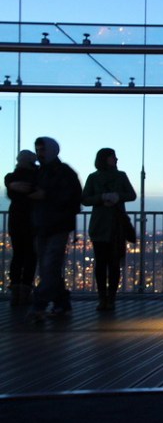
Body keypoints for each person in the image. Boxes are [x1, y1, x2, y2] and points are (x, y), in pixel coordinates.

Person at [29, 137, 82, 322]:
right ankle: (61, 303)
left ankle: (39, 304)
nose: (39, 153)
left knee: (49, 266)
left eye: (42, 150)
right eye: (38, 150)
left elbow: (73, 197)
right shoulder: (46, 172)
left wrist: (45, 195)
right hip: (46, 225)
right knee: (48, 268)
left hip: (55, 226)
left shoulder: (59, 172)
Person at [81, 148, 137, 311]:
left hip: (110, 225)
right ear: (105, 159)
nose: (116, 159)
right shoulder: (96, 177)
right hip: (107, 225)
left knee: (110, 263)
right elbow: (85, 199)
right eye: (113, 157)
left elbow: (131, 195)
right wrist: (104, 198)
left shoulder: (115, 176)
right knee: (105, 263)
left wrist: (114, 196)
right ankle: (105, 297)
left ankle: (108, 297)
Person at [4, 150, 38, 306]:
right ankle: (25, 290)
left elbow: (12, 192)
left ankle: (15, 291)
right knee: (31, 255)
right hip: (32, 221)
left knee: (17, 255)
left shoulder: (11, 178)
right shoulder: (36, 177)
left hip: (16, 221)